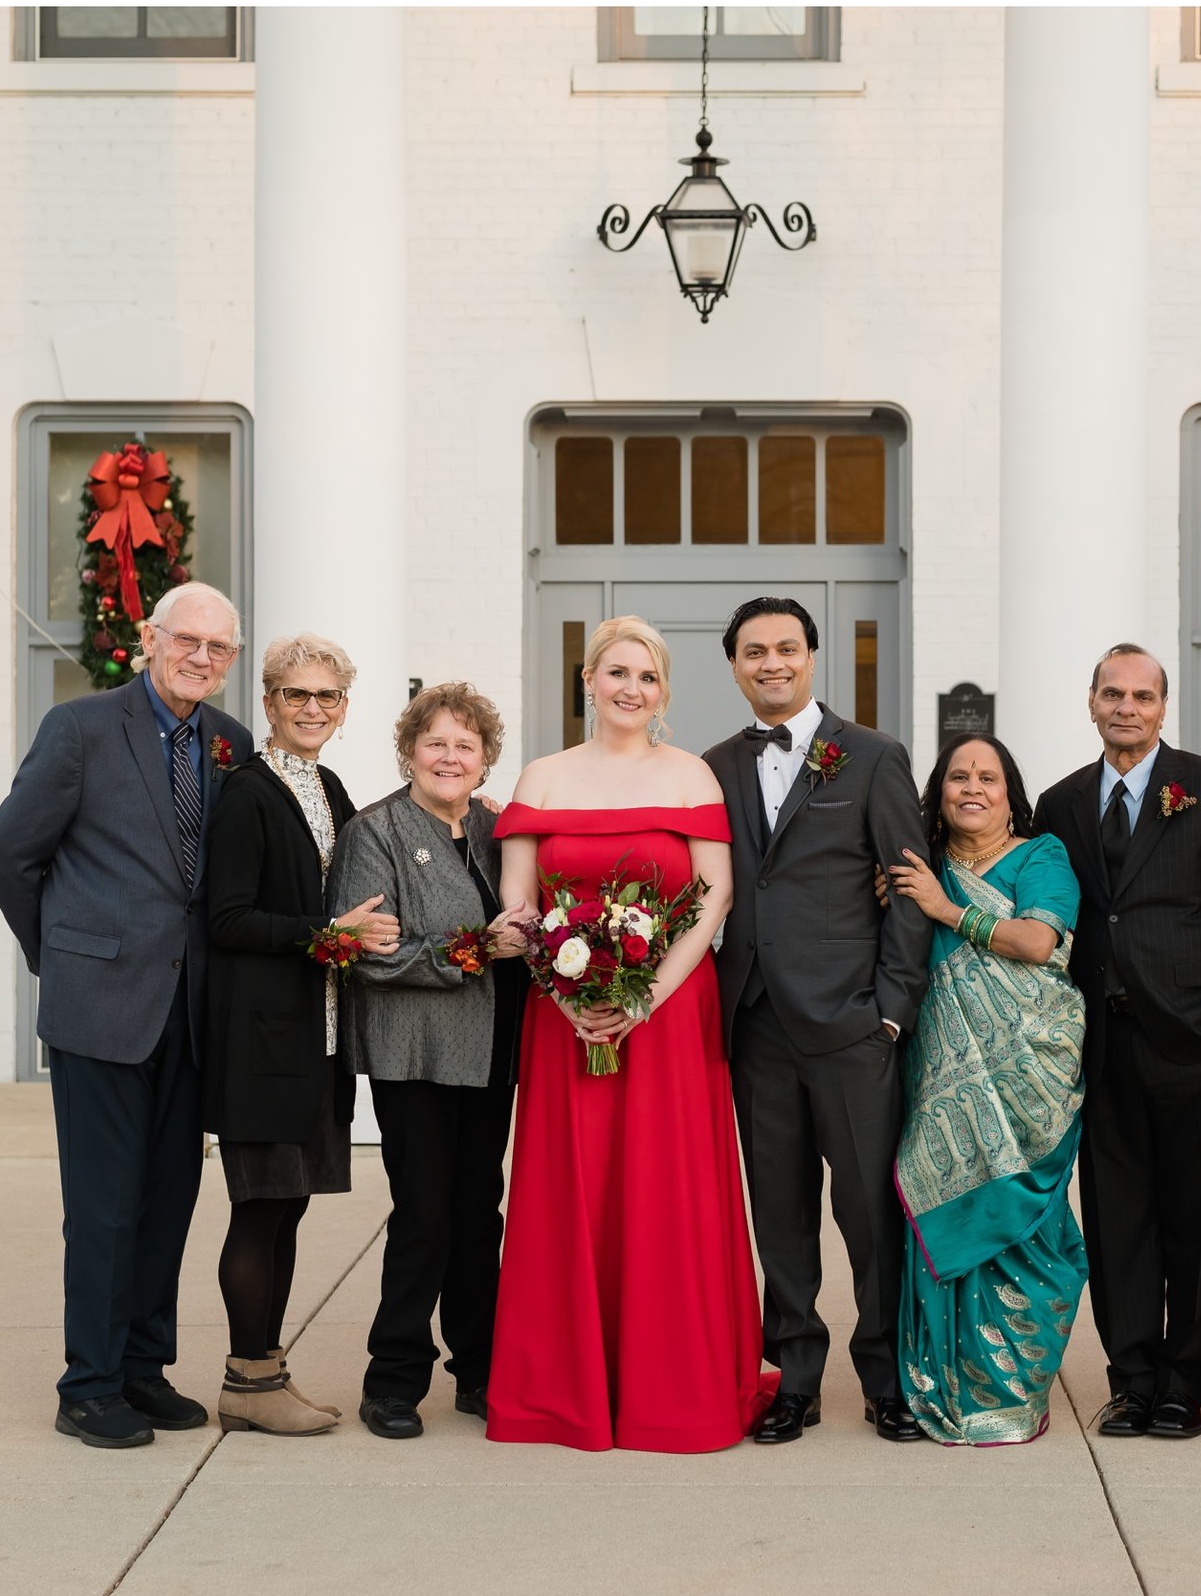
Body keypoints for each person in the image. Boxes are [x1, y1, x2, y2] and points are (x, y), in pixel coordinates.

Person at [0, 584, 327, 1448]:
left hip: (192, 1011)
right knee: (102, 1205)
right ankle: (88, 1384)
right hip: (100, 1005)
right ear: (150, 638)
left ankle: (143, 1367)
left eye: (220, 647)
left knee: (167, 1198)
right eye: (189, 641)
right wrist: (59, 952)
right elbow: (9, 853)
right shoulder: (82, 729)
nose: (202, 658)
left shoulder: (229, 743)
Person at [485, 616, 771, 1452]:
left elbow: (714, 898)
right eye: (616, 672)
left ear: (664, 691)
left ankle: (670, 1386)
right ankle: (559, 1392)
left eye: (646, 677)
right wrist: (567, 995)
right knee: (570, 1191)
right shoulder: (542, 775)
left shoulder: (691, 777)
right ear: (588, 680)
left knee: (664, 1189)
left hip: (671, 1016)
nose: (630, 688)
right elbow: (520, 908)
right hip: (563, 1017)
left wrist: (644, 1001)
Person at [701, 597, 933, 1445]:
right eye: (754, 651)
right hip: (756, 1022)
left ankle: (886, 1378)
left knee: (870, 1216)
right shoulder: (714, 763)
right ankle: (793, 1377)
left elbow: (908, 887)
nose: (772, 663)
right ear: (734, 665)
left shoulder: (871, 757)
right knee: (781, 1213)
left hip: (851, 1026)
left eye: (786, 649)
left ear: (811, 656)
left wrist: (892, 1013)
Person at [1032, 644, 1201, 1441]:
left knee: (1198, 1223)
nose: (1126, 707)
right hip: (1104, 1052)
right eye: (1112, 694)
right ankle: (1133, 1380)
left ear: (1163, 708)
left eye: (1142, 695)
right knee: (1118, 1222)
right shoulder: (1061, 803)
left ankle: (1184, 1386)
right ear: (1091, 702)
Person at [200, 633, 394, 1437]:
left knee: (287, 1211)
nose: (312, 710)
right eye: (295, 696)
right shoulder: (247, 793)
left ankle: (263, 1376)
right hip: (263, 1041)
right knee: (260, 1208)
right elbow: (228, 918)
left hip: (317, 1041)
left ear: (344, 709)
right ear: (270, 704)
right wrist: (327, 932)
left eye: (327, 697)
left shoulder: (330, 785)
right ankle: (249, 1380)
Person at [337, 682, 528, 1440]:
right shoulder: (374, 831)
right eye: (436, 743)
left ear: (484, 760)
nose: (450, 757)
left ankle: (478, 1371)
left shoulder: (497, 827)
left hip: (492, 1051)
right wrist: (477, 951)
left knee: (480, 1213)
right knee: (424, 1213)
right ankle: (392, 1380)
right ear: (410, 750)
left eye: (465, 745)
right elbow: (369, 957)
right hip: (414, 1050)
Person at [884, 733, 1087, 1446]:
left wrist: (945, 910)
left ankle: (1011, 1392)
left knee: (1027, 1226)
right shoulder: (922, 868)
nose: (973, 787)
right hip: (943, 1076)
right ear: (938, 793)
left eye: (989, 778)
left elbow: (1037, 942)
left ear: (1010, 792)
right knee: (948, 1203)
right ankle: (940, 1385)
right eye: (958, 777)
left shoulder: (1042, 856)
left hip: (1033, 1075)